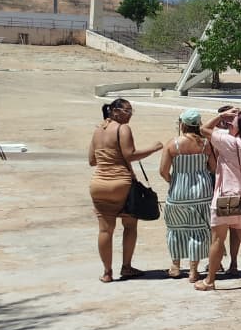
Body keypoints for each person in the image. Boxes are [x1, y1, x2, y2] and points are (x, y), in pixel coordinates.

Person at [88, 98, 162, 283]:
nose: (130, 114)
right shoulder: (122, 129)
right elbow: (130, 154)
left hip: (98, 184)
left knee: (105, 230)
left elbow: (92, 160)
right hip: (120, 183)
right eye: (127, 110)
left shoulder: (97, 130)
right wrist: (154, 148)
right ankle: (126, 267)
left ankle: (107, 272)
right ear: (115, 111)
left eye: (131, 111)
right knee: (130, 225)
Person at [196, 108, 241, 291]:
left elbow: (203, 129)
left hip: (227, 196)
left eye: (231, 124)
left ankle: (209, 281)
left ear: (238, 128)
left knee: (217, 239)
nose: (228, 126)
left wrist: (221, 116)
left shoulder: (229, 143)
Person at [158, 109, 214, 282]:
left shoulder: (172, 144)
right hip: (202, 191)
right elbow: (213, 167)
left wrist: (173, 182)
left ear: (182, 124)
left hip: (178, 191)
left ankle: (175, 266)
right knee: (198, 229)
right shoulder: (205, 144)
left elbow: (163, 171)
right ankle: (193, 271)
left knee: (175, 228)